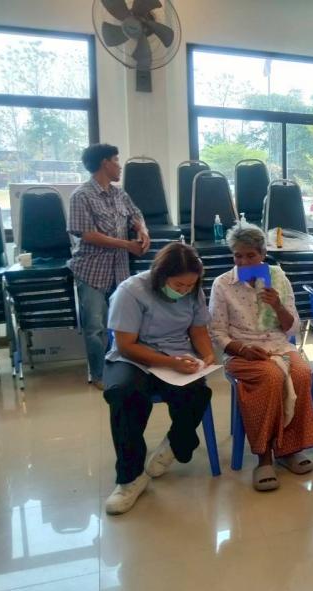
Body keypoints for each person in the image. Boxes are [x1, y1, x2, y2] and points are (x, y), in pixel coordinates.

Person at [102, 243, 213, 515]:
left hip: (176, 354)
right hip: (134, 358)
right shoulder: (131, 291)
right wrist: (171, 363)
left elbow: (198, 330)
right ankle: (130, 479)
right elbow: (126, 345)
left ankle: (174, 443)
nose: (185, 291)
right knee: (124, 394)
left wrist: (207, 355)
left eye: (190, 286)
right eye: (179, 285)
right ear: (160, 276)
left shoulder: (193, 290)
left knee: (198, 393)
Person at [209, 224, 313, 492]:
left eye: (251, 255)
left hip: (278, 345)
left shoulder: (278, 279)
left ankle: (289, 449)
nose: (244, 262)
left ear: (262, 254)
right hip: (241, 350)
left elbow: (291, 329)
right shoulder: (223, 284)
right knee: (270, 377)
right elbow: (216, 332)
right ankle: (264, 456)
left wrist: (277, 305)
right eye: (238, 256)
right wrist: (242, 349)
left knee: (302, 373)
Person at [68, 143, 150, 390]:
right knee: (95, 327)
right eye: (116, 160)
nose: (119, 166)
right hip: (92, 270)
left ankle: (125, 366)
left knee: (125, 322)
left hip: (119, 270)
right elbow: (87, 234)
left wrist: (142, 231)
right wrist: (127, 245)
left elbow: (136, 214)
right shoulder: (81, 196)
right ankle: (99, 374)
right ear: (104, 163)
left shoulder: (119, 194)